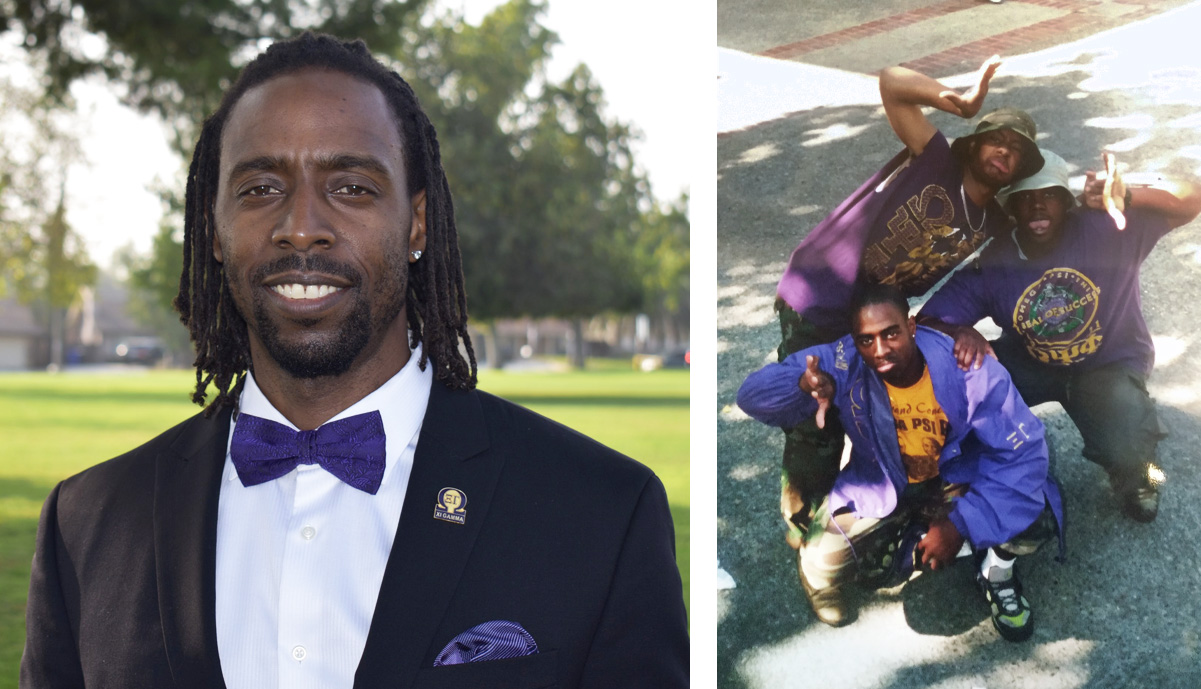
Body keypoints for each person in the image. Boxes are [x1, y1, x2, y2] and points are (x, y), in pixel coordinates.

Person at [20, 33, 688, 689]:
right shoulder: (84, 525)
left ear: (416, 222)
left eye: (351, 187)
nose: (301, 224)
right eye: (259, 188)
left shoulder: (600, 511)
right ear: (215, 229)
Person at [769, 55, 1045, 549]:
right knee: (818, 422)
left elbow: (1056, 209)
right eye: (996, 139)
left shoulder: (996, 220)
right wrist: (956, 103)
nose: (1004, 151)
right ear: (976, 144)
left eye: (1016, 151)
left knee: (873, 407)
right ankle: (807, 540)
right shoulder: (936, 157)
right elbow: (892, 82)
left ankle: (852, 512)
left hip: (872, 318)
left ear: (1019, 169)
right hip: (820, 293)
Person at [738, 284, 1063, 641]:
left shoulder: (965, 365)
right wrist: (800, 384)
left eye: (891, 333)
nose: (880, 350)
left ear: (911, 325)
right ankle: (919, 540)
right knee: (827, 564)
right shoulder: (844, 360)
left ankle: (996, 571)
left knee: (1037, 516)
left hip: (952, 476)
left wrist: (959, 524)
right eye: (866, 339)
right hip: (881, 483)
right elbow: (751, 396)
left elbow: (1022, 453)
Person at [918, 150, 1201, 523]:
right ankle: (974, 471)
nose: (1036, 207)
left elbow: (1192, 197)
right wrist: (961, 330)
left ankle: (1140, 474)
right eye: (1024, 198)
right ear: (1012, 209)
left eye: (1048, 194)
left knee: (1131, 445)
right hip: (1034, 362)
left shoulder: (1106, 228)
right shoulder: (997, 260)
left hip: (1108, 363)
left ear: (1067, 202)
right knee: (961, 377)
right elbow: (925, 321)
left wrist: (1128, 194)